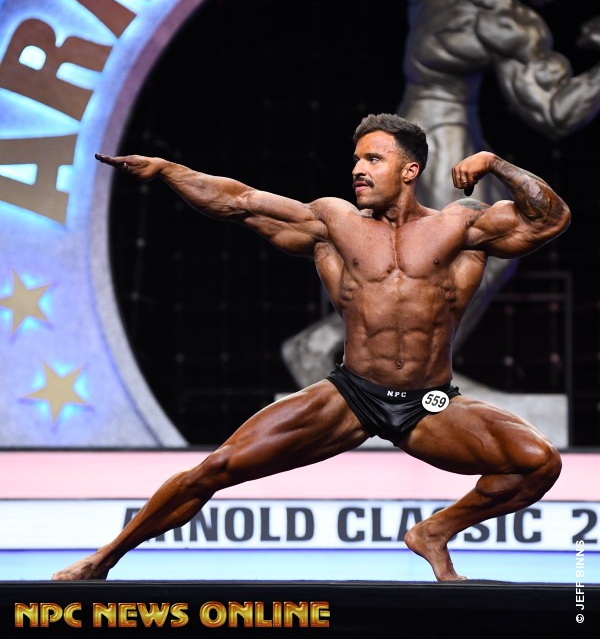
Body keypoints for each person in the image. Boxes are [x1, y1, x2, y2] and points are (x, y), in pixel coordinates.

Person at [51, 112, 570, 582]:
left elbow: (550, 218)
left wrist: (495, 163)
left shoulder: (462, 224)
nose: (358, 170)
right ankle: (103, 559)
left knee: (538, 462)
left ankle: (433, 532)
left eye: (373, 159)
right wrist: (169, 170)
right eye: (356, 160)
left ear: (410, 170)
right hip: (352, 395)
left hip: (430, 404)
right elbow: (239, 201)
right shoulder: (333, 222)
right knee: (214, 470)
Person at [282, 0, 600, 389]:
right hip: (441, 128)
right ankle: (377, 360)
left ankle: (373, 354)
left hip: (428, 118)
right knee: (468, 246)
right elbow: (553, 112)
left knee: (457, 248)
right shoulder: (511, 23)